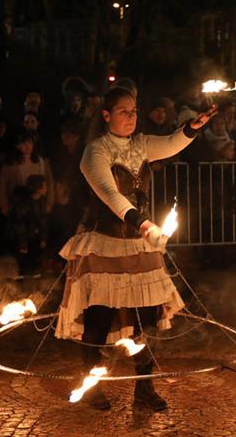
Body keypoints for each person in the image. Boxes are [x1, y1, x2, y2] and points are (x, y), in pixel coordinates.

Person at [54, 86, 216, 411]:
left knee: (144, 320)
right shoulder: (95, 152)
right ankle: (92, 386)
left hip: (139, 248)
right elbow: (111, 195)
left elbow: (171, 143)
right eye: (124, 111)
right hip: (106, 245)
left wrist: (193, 127)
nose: (131, 117)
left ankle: (144, 389)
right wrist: (142, 223)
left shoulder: (141, 144)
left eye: (134, 111)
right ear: (106, 115)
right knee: (99, 319)